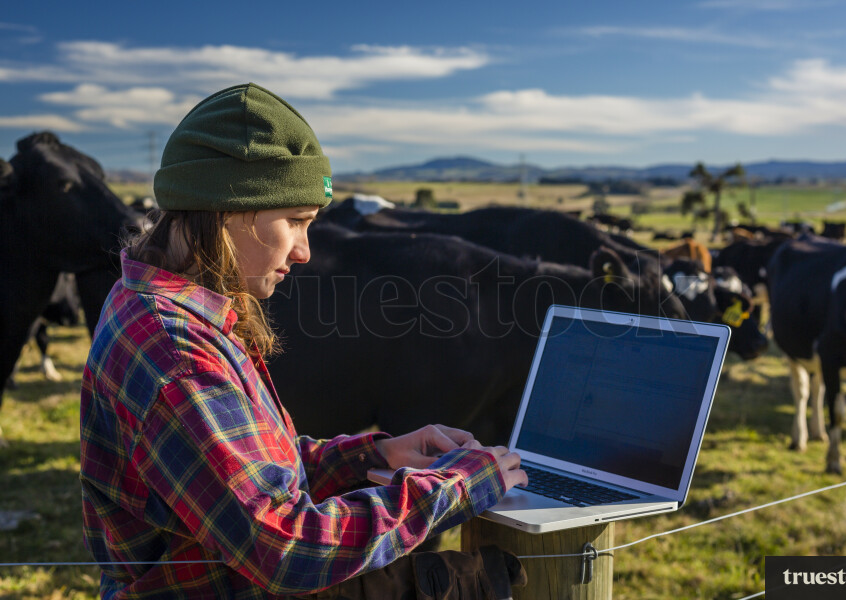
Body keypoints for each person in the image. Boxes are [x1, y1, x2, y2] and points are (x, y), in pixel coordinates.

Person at [80, 83, 528, 599]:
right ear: (228, 207)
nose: (305, 252)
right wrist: (455, 487)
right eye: (295, 222)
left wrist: (375, 456)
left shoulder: (165, 307)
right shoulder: (178, 355)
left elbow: (253, 468)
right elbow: (285, 546)